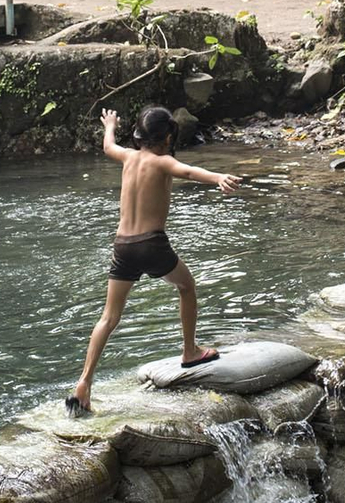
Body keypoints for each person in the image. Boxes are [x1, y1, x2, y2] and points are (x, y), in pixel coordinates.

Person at [66, 106, 244, 416]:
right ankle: (190, 351)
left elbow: (108, 146)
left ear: (138, 136)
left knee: (108, 317)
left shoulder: (127, 156)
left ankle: (83, 384)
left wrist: (110, 125)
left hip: (123, 246)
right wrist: (218, 177)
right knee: (186, 287)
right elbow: (190, 172)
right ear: (167, 138)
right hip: (151, 244)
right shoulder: (163, 162)